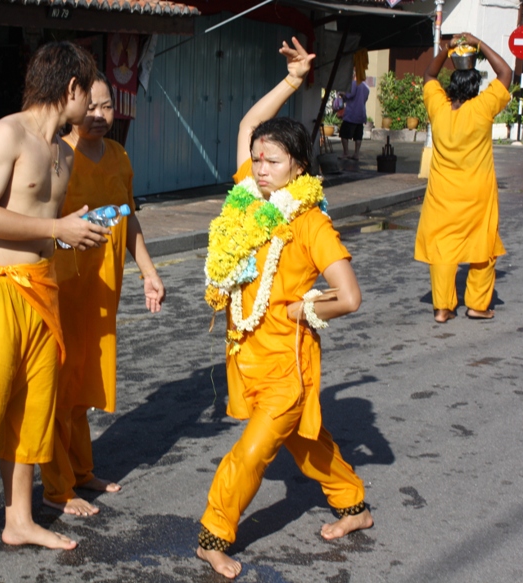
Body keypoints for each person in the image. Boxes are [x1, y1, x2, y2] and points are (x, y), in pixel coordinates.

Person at [197, 37, 373, 579]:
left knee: (252, 453)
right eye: (257, 160)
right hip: (247, 352)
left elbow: (350, 295)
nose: (261, 166)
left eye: (273, 160)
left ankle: (213, 533)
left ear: (298, 166)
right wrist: (294, 81)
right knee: (307, 440)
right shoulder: (249, 200)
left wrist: (304, 311)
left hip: (288, 364)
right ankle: (355, 507)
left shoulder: (310, 221)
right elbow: (251, 124)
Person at [0, 41, 106, 575]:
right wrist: (56, 227)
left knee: (33, 407)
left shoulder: (65, 151)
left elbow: (38, 215)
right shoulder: (5, 134)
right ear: (71, 89)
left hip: (42, 285)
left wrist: (72, 229)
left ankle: (19, 519)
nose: (97, 107)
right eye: (91, 94)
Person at [38, 73, 166, 517]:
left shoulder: (119, 155)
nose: (98, 115)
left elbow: (128, 218)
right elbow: (42, 225)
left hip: (102, 292)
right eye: (90, 106)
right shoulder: (56, 156)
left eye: (107, 106)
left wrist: (148, 271)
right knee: (59, 385)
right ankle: (57, 487)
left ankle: (79, 469)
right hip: (63, 289)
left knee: (84, 382)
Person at [414, 33, 511, 323]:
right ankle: (478, 305)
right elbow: (506, 72)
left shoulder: (439, 109)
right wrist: (479, 43)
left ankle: (442, 308)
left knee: (444, 248)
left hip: (442, 195)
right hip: (477, 194)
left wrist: (445, 49)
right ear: (475, 87)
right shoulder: (482, 109)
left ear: (451, 87)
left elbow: (429, 74)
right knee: (482, 246)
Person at [339, 74, 369, 161]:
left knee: (344, 134)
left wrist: (342, 94)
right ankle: (356, 154)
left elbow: (349, 95)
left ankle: (346, 153)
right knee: (358, 136)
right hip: (361, 114)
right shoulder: (366, 87)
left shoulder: (354, 84)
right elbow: (365, 99)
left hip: (352, 113)